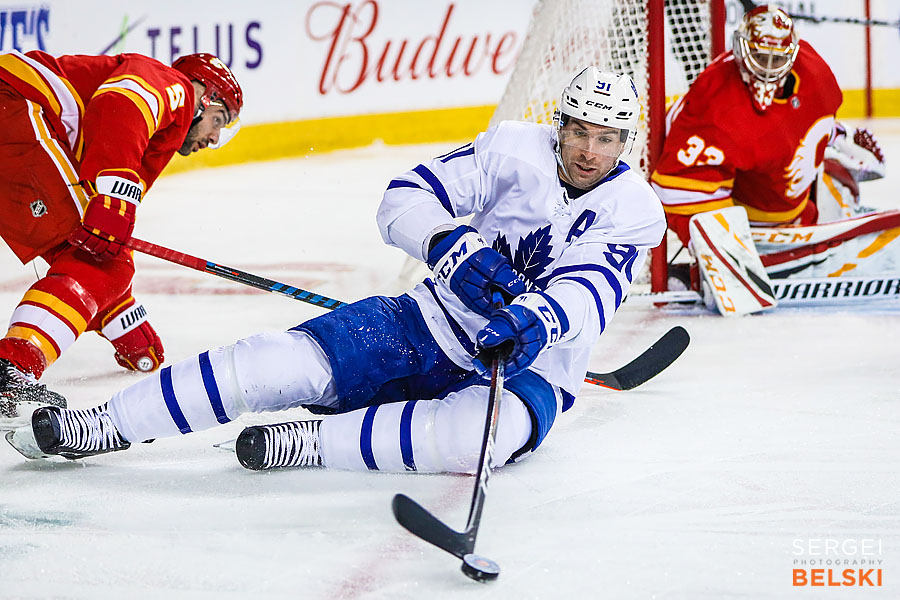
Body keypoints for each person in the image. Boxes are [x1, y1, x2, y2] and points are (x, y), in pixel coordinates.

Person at [8, 67, 665, 474]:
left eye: (606, 138)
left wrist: (536, 320)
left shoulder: (634, 208)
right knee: (274, 362)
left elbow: (591, 289)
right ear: (561, 127)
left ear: (626, 143)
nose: (587, 149)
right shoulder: (512, 149)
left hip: (529, 366)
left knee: (476, 442)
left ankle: (310, 443)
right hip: (425, 322)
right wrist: (451, 245)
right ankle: (98, 427)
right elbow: (403, 197)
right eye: (578, 131)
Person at [0, 50, 243, 422]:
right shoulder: (173, 86)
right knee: (103, 265)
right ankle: (12, 366)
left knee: (101, 262)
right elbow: (122, 101)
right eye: (218, 120)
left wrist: (121, 318)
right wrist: (115, 196)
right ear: (202, 96)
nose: (213, 137)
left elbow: (85, 246)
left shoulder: (153, 136)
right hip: (14, 104)